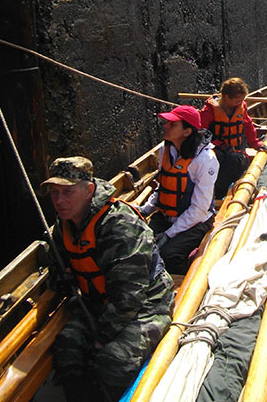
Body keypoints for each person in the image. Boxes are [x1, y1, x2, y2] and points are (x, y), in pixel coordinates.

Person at [44, 156, 174, 402]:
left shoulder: (120, 226)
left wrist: (100, 338)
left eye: (67, 192)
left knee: (113, 361)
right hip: (99, 302)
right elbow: (57, 279)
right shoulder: (63, 227)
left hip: (147, 305)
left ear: (89, 190)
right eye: (54, 193)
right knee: (66, 347)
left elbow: (129, 299)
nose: (59, 201)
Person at [139, 105, 219, 274]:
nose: (165, 126)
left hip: (196, 221)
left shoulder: (205, 159)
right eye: (167, 122)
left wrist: (169, 234)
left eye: (172, 124)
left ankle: (187, 267)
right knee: (140, 249)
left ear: (187, 132)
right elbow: (164, 187)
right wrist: (145, 210)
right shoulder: (165, 150)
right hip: (166, 215)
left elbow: (199, 209)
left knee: (168, 255)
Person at [199, 77, 262, 198]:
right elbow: (202, 133)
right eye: (238, 100)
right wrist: (218, 144)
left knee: (233, 160)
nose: (240, 103)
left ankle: (219, 193)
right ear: (226, 97)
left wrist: (255, 143)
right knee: (216, 159)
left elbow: (248, 126)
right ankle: (214, 192)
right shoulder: (209, 111)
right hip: (216, 149)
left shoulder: (241, 108)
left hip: (236, 151)